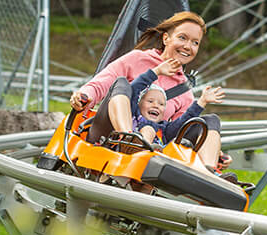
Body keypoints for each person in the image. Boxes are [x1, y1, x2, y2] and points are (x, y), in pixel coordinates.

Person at [68, 11, 229, 171]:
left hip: (150, 144)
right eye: (182, 38)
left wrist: (212, 148)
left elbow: (181, 129)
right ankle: (128, 140)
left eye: (195, 43)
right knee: (122, 83)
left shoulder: (184, 91)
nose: (188, 46)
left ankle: (210, 171)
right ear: (166, 38)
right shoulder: (137, 59)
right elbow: (100, 84)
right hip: (107, 135)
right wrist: (84, 96)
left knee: (208, 121)